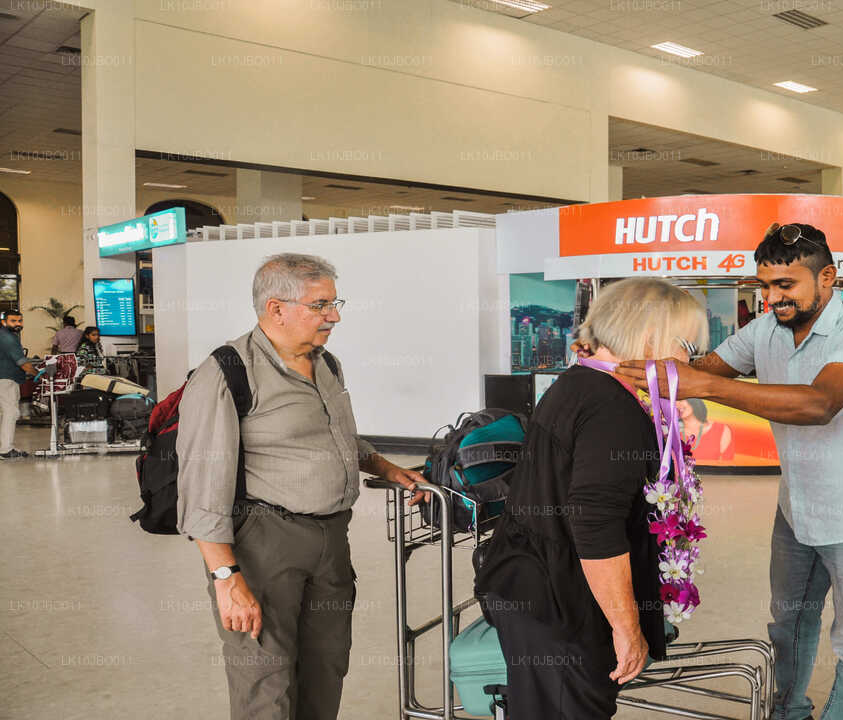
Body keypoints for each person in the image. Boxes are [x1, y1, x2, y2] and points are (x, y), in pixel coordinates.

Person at [616, 222, 843, 720]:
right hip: (798, 507)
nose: (772, 298)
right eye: (765, 285)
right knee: (788, 623)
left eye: (785, 285)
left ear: (828, 277)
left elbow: (819, 404)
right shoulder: (766, 329)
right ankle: (788, 711)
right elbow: (705, 369)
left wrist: (704, 386)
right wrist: (631, 368)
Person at [176, 253, 425, 720]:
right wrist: (226, 579)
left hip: (332, 538)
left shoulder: (326, 363)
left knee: (326, 667)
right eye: (320, 305)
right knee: (265, 681)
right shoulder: (226, 373)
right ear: (277, 309)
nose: (334, 316)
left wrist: (386, 467)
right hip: (264, 542)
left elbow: (336, 437)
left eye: (334, 303)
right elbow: (201, 486)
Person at [475, 277, 709, 718]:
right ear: (649, 337)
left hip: (540, 589)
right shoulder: (611, 409)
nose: (687, 360)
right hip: (559, 605)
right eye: (685, 346)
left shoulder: (582, 383)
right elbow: (596, 524)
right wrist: (627, 628)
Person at [0, 310, 35, 459]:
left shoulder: (6, 336)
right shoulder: (8, 338)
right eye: (13, 321)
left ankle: (6, 446)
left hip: (5, 378)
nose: (17, 324)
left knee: (7, 413)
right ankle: (6, 449)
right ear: (4, 322)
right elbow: (22, 363)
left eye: (20, 321)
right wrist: (39, 374)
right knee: (11, 412)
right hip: (6, 379)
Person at [678, 398, 735, 462]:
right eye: (672, 400)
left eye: (680, 399)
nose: (677, 404)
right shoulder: (672, 432)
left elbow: (727, 464)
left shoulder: (720, 430)